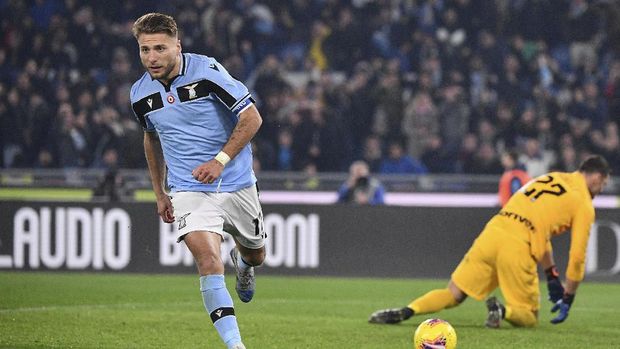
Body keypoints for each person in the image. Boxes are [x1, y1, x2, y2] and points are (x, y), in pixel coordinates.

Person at [129, 13, 266, 349]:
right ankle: (236, 345)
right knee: (207, 260)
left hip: (235, 182)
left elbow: (252, 117)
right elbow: (151, 138)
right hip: (188, 189)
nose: (152, 57)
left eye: (160, 48)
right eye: (145, 50)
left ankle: (245, 264)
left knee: (257, 254)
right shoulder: (139, 94)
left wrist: (220, 161)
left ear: (178, 45)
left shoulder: (206, 73)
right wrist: (160, 192)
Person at [369, 155, 610, 328]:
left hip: (494, 231)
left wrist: (551, 273)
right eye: (604, 183)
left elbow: (540, 225)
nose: (601, 189)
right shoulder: (584, 204)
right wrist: (569, 295)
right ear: (597, 176)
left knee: (453, 294)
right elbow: (577, 257)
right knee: (529, 316)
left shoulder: (550, 178)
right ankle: (501, 310)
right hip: (518, 245)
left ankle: (407, 310)